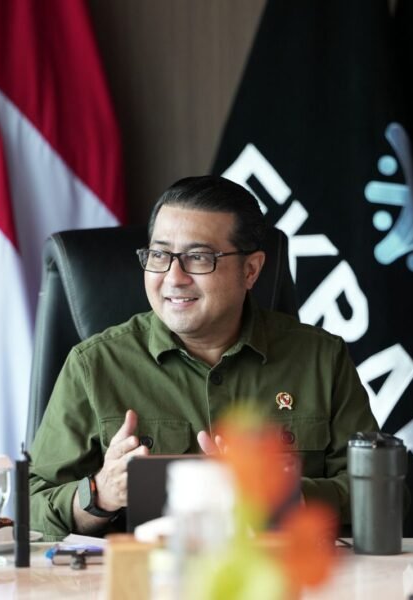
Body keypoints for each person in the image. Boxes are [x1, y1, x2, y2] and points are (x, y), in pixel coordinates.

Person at [29, 175, 377, 540]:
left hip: (281, 573)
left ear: (250, 270)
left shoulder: (321, 358)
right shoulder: (94, 365)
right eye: (160, 255)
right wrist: (101, 493)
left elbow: (381, 493)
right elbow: (32, 507)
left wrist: (287, 497)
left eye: (198, 257)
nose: (173, 278)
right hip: (144, 573)